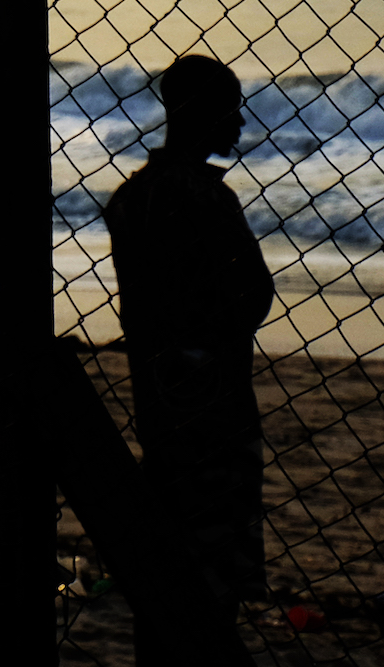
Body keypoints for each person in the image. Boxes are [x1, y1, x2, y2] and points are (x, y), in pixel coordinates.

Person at [103, 53, 276, 604]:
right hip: (215, 392)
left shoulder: (132, 196)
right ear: (201, 112)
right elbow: (253, 293)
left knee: (173, 533)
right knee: (216, 546)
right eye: (230, 110)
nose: (240, 123)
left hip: (159, 386)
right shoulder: (208, 197)